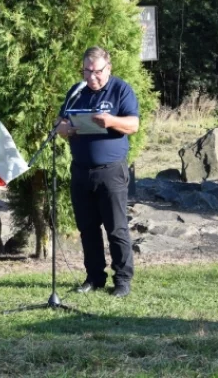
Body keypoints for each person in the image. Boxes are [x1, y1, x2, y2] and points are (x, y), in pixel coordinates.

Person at [56, 46, 139, 298]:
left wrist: (111, 121)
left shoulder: (120, 89)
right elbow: (60, 122)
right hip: (81, 171)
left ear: (108, 68)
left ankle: (122, 280)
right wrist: (64, 128)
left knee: (116, 228)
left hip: (110, 172)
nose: (92, 77)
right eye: (87, 71)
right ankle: (94, 277)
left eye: (97, 72)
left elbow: (133, 124)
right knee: (88, 228)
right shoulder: (76, 91)